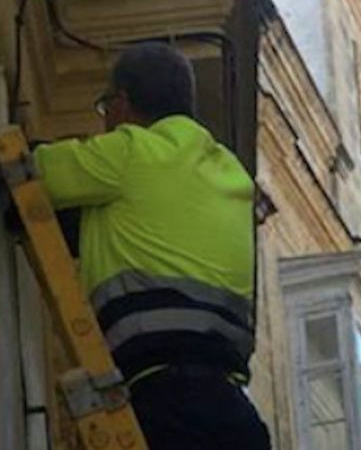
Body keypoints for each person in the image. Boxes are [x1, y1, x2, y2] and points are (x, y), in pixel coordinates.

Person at [33, 43, 271, 449]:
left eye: (104, 108)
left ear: (122, 103)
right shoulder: (231, 175)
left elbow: (37, 171)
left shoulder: (130, 151)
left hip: (162, 402)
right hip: (233, 413)